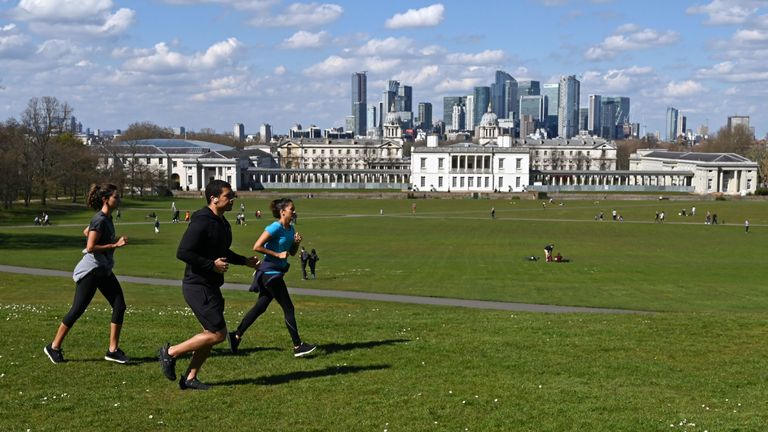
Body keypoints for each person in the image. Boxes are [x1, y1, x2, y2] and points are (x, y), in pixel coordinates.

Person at [158, 180, 259, 390]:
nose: (232, 199)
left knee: (208, 335)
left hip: (211, 285)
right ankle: (170, 353)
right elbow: (183, 252)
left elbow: (222, 251)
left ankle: (190, 378)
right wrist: (210, 265)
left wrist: (245, 261)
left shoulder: (222, 222)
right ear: (213, 198)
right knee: (218, 334)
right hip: (197, 285)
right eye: (227, 196)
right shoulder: (202, 221)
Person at [44, 183, 129, 365]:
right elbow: (90, 247)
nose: (119, 199)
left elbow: (88, 232)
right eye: (116, 197)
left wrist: (95, 234)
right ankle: (53, 347)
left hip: (103, 269)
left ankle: (113, 350)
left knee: (119, 305)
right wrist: (115, 245)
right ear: (106, 199)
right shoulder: (100, 219)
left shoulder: (105, 218)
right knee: (77, 310)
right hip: (91, 271)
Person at [229, 198, 316, 358]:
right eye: (292, 209)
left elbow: (291, 252)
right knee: (288, 308)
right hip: (269, 273)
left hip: (277, 272)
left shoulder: (291, 228)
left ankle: (235, 336)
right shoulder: (274, 227)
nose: (294, 212)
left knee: (260, 307)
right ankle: (298, 346)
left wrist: (296, 243)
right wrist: (277, 254)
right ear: (283, 212)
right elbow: (257, 246)